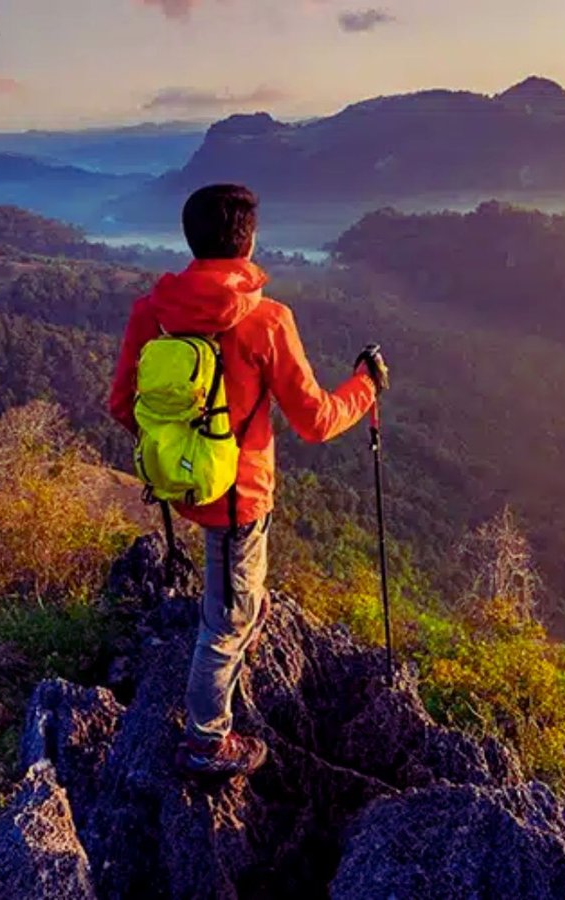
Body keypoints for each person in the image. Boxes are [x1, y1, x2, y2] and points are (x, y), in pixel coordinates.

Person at [108, 183, 389, 777]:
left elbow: (121, 405)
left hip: (184, 485)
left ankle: (242, 622)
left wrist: (180, 445)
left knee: (233, 592)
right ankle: (206, 742)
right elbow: (313, 421)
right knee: (225, 620)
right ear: (248, 240)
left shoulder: (152, 313)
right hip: (241, 497)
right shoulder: (267, 321)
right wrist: (365, 388)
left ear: (191, 239)